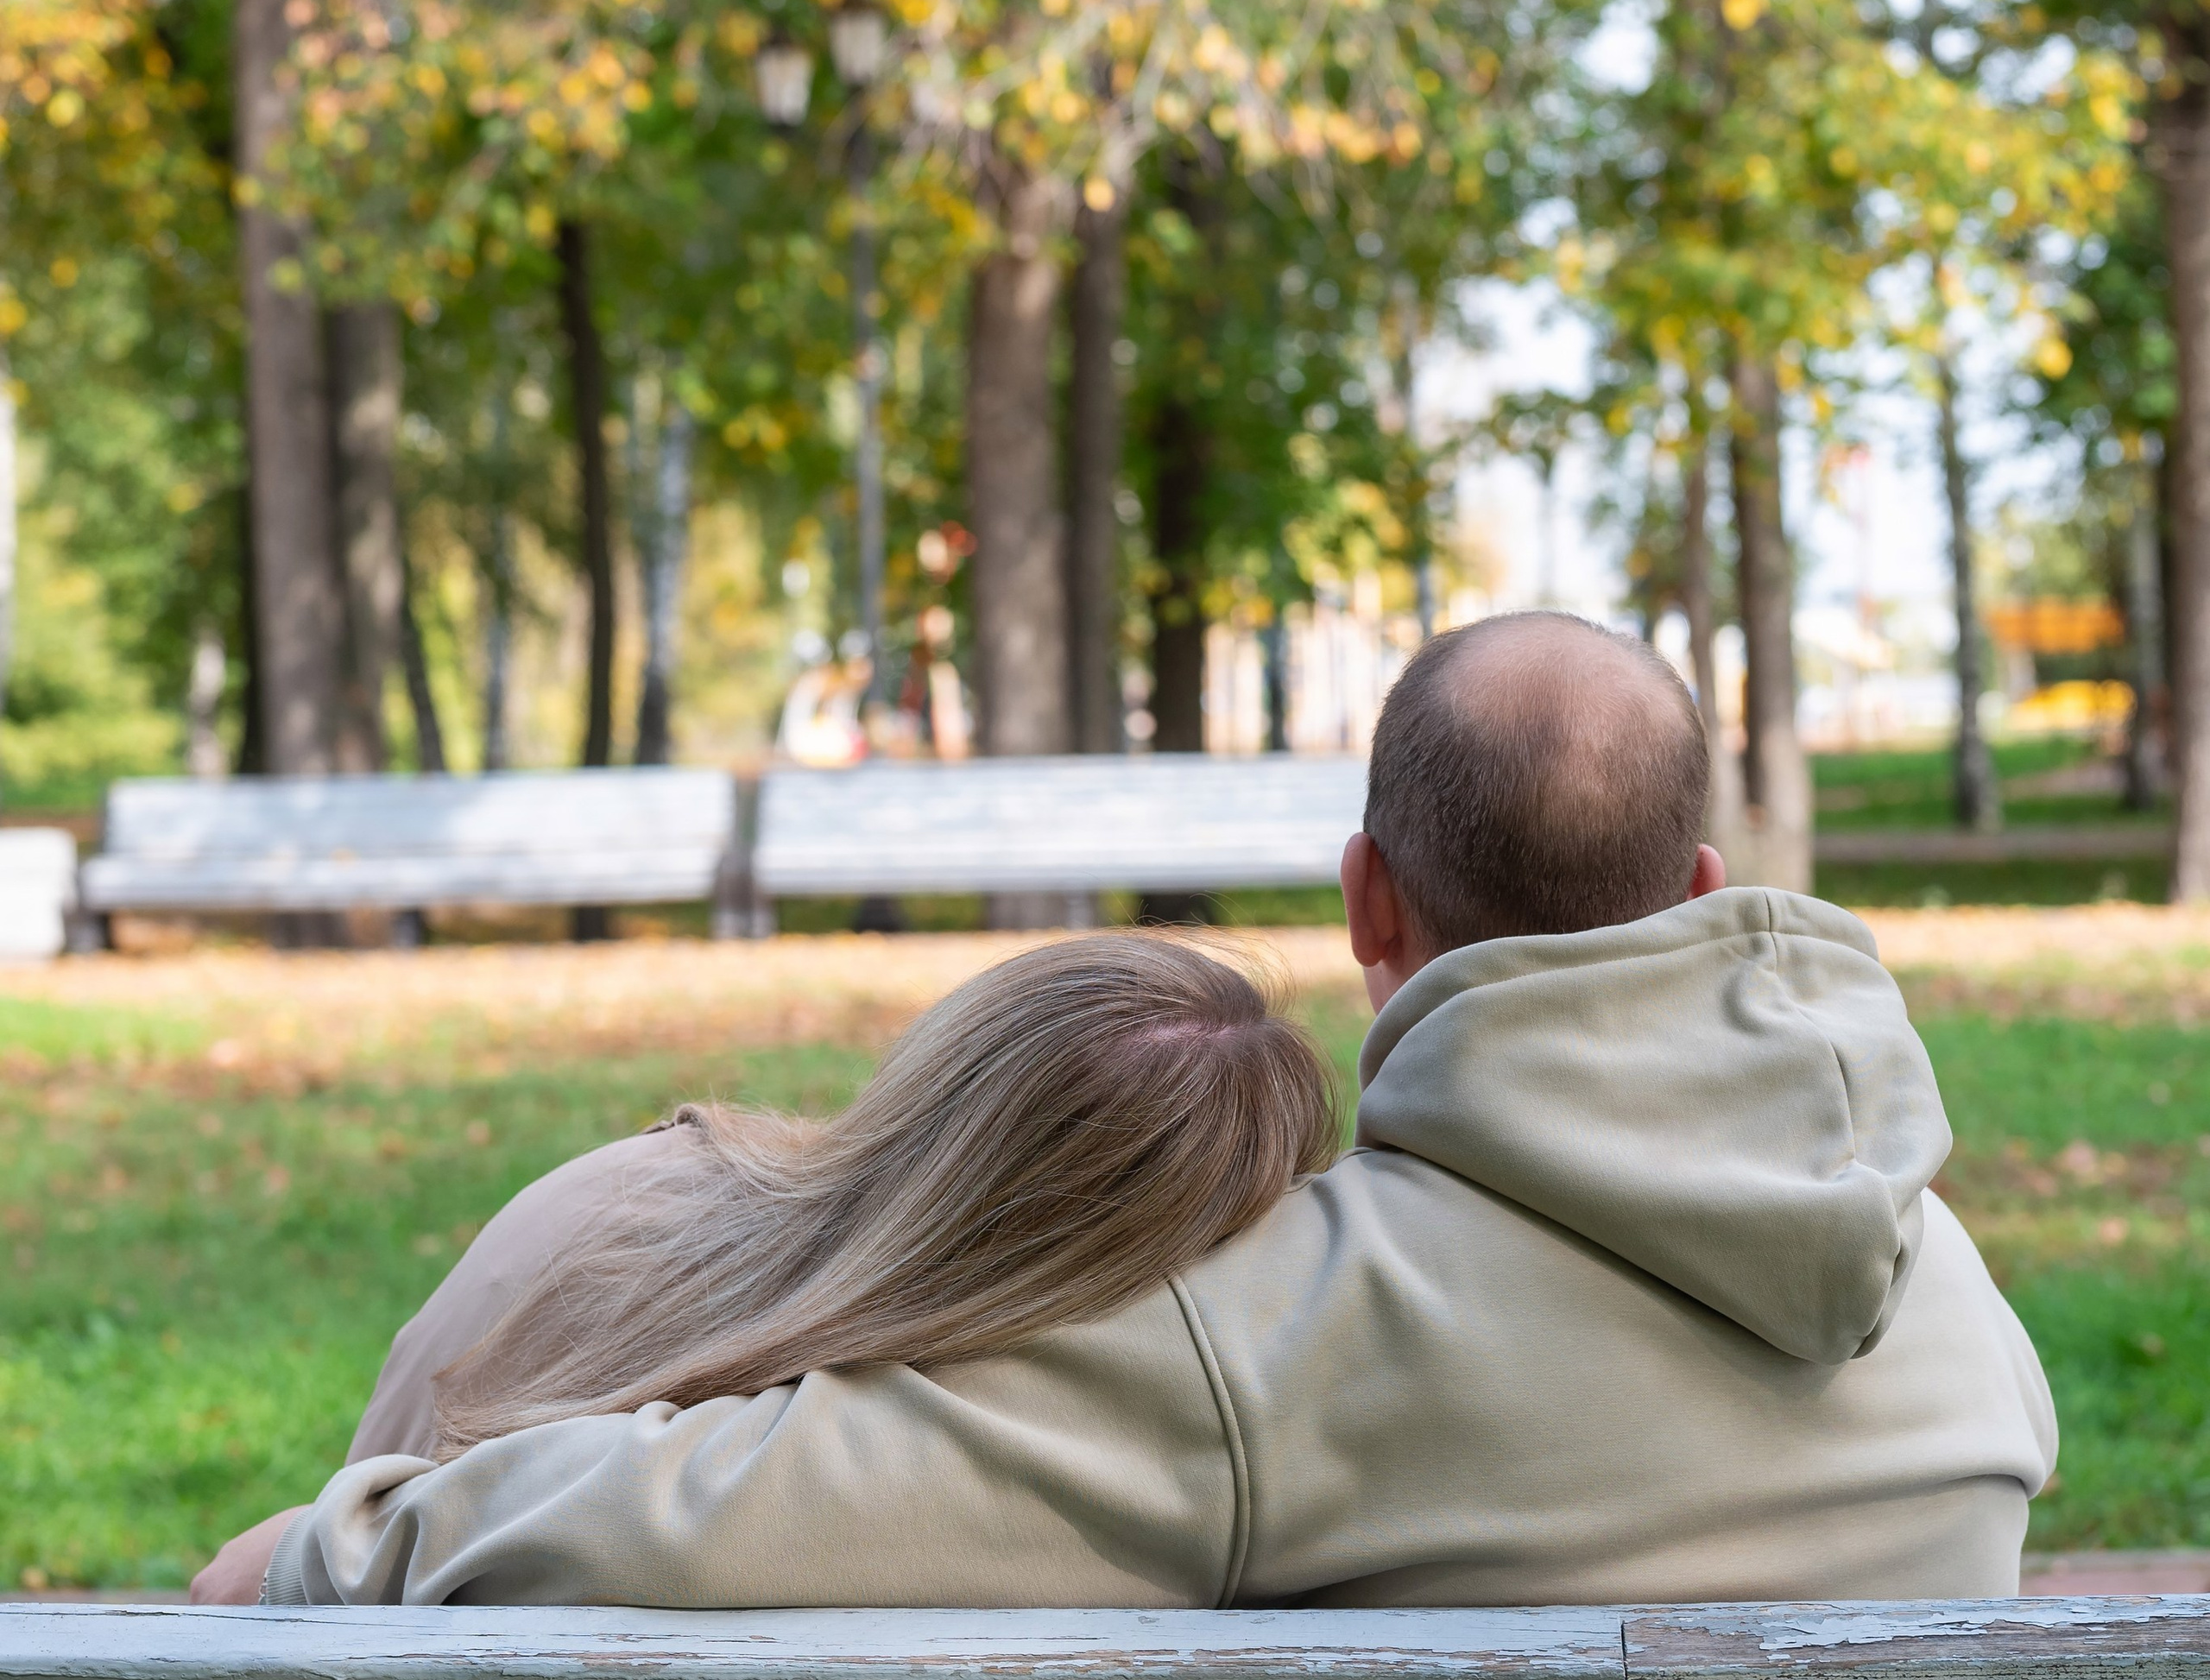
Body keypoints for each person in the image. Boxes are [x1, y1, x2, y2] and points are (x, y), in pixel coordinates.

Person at [205, 610, 2056, 1610]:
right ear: (1700, 881)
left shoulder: (1285, 1337)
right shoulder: (1944, 1289)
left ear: (1367, 905)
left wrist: (321, 1551)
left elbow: (725, 1508)